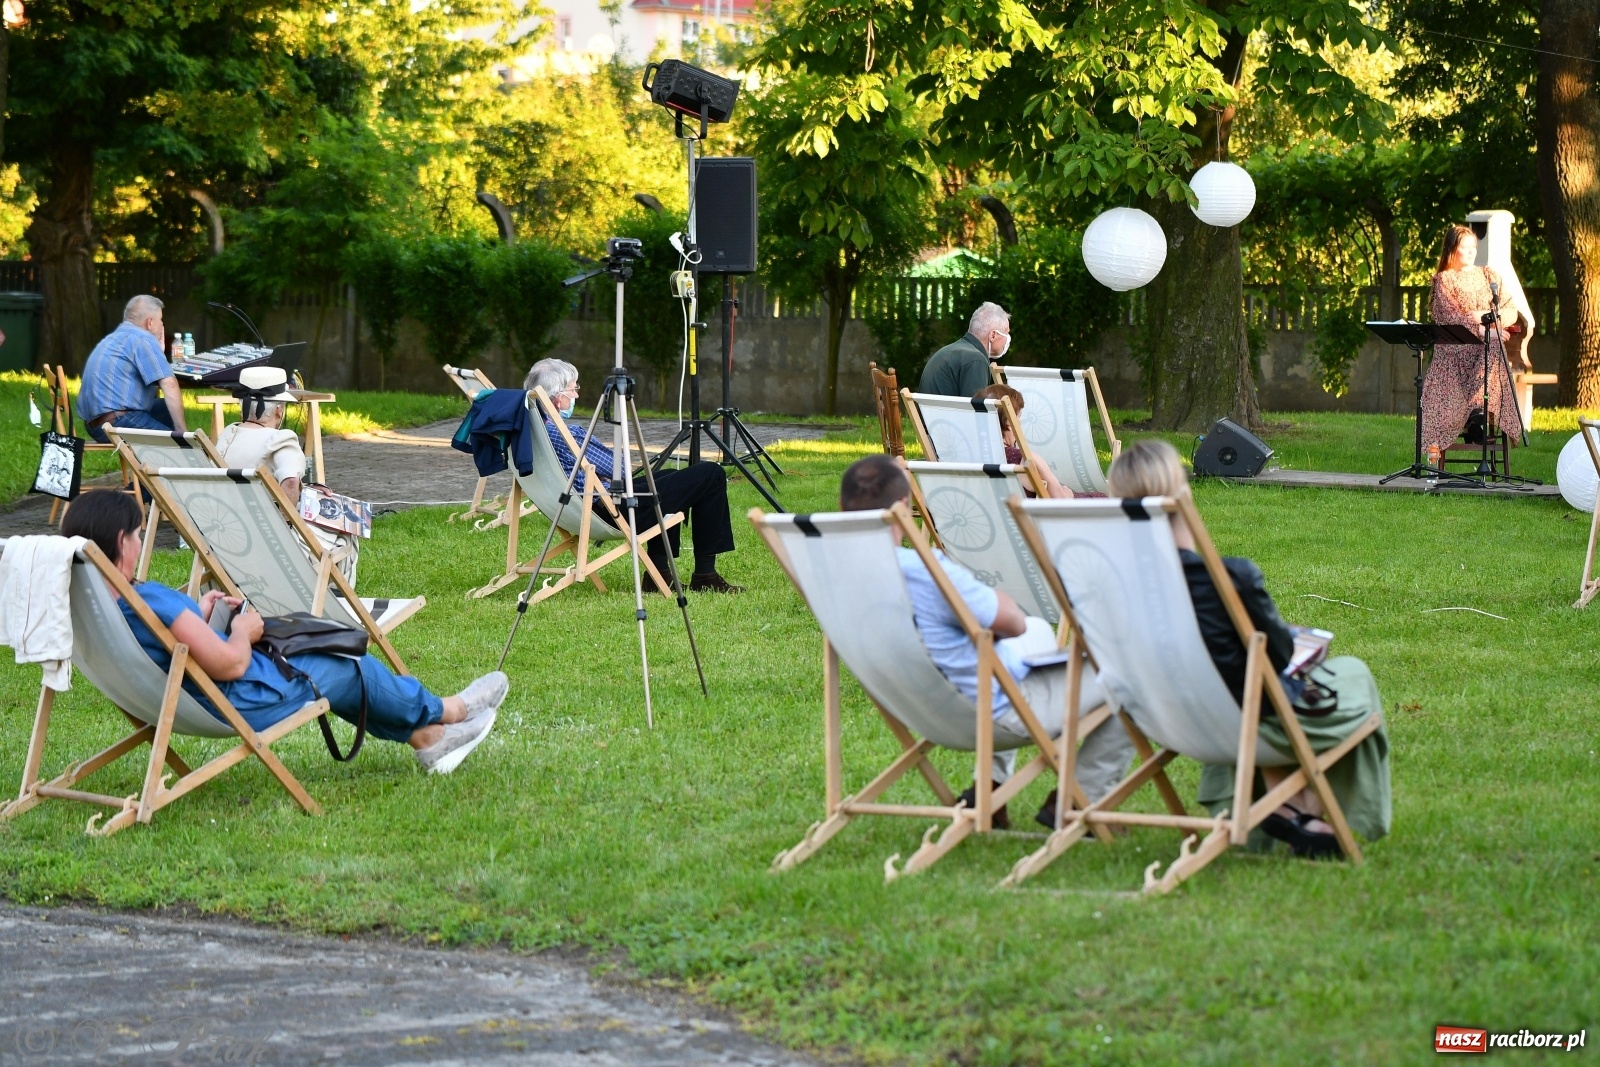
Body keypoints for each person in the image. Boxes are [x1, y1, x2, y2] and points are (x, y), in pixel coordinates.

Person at [61, 489, 504, 774]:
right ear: (122, 541)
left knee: (335, 669)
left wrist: (196, 614)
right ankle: (450, 711)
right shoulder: (150, 601)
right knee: (344, 664)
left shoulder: (94, 603)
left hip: (180, 701)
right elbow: (232, 664)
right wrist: (245, 631)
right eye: (139, 534)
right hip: (240, 700)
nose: (141, 542)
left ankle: (427, 739)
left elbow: (160, 644)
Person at [1104, 440, 1391, 857]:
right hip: (1241, 723)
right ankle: (1318, 810)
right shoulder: (1229, 579)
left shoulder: (1108, 587)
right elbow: (1279, 659)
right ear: (1183, 497)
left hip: (1166, 719)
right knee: (1351, 675)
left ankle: (1291, 810)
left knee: (1253, 690)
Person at [840, 454, 1134, 828]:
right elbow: (1010, 623)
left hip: (919, 709)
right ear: (903, 506)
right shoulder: (926, 571)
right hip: (992, 716)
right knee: (1134, 670)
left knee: (1039, 631)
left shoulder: (830, 575)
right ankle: (1081, 799)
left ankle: (991, 789)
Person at [524, 358, 742, 593]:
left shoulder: (531, 429)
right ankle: (705, 576)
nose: (576, 396)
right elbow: (622, 471)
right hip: (613, 511)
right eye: (574, 389)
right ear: (557, 396)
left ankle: (658, 575)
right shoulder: (567, 434)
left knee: (667, 475)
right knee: (711, 473)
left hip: (580, 508)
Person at [214, 367, 358, 584]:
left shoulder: (227, 435)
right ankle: (335, 605)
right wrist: (283, 524)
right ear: (279, 410)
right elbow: (290, 483)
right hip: (268, 545)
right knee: (346, 530)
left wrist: (305, 488)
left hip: (226, 538)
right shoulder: (280, 439)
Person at [1422, 223, 1525, 464]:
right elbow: (1450, 317)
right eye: (1464, 247)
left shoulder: (1489, 276)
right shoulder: (1444, 281)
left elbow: (1510, 310)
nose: (1471, 252)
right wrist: (1482, 329)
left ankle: (1478, 413)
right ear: (1451, 250)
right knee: (1493, 344)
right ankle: (1475, 416)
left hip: (1485, 352)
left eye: (1473, 247)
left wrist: (1488, 322)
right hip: (1454, 354)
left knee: (1495, 347)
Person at [80, 295, 189, 444]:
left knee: (165, 408)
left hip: (94, 426)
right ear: (150, 322)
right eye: (161, 320)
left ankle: (150, 462)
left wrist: (158, 353)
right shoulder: (143, 338)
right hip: (117, 424)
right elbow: (169, 384)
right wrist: (182, 433)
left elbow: (148, 391)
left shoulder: (112, 338)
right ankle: (169, 456)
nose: (162, 324)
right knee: (182, 446)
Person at [972, 384, 1073, 498]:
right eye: (1018, 417)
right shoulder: (1026, 460)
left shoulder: (970, 458)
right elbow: (1061, 503)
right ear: (1009, 423)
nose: (1019, 423)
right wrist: (1067, 494)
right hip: (1031, 515)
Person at [918, 302, 1011, 397]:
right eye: (1006, 332)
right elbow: (976, 409)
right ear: (993, 335)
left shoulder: (947, 351)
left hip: (932, 411)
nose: (1008, 338)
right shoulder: (976, 360)